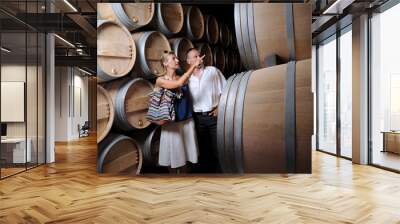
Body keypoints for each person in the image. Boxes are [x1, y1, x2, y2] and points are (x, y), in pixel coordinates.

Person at [156, 51, 205, 173]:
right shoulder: (160, 80)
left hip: (187, 122)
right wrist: (193, 66)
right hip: (172, 125)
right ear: (166, 63)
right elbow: (178, 84)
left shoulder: (182, 77)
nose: (177, 60)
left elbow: (188, 82)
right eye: (173, 58)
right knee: (173, 161)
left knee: (186, 160)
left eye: (177, 58)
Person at [186, 48, 227, 173]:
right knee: (203, 150)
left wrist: (220, 107)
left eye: (199, 55)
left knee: (218, 149)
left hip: (214, 116)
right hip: (198, 118)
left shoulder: (213, 71)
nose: (198, 58)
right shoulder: (187, 79)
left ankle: (222, 176)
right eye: (194, 56)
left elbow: (226, 90)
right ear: (188, 61)